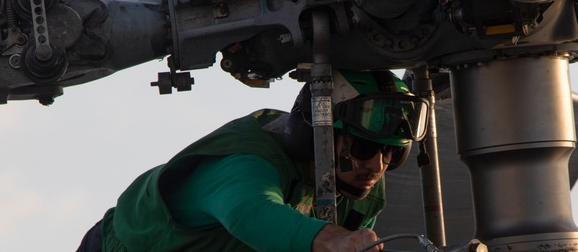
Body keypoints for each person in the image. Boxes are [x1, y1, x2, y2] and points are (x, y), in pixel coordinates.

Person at [77, 69, 429, 252]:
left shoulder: (359, 187)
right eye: (365, 149)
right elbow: (250, 211)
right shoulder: (248, 162)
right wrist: (335, 241)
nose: (377, 166)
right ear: (317, 134)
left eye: (392, 153)